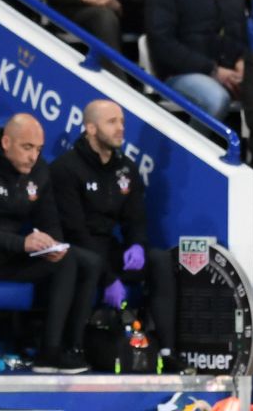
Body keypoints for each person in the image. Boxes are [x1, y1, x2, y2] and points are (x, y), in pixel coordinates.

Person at [50, 99, 193, 374]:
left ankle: (166, 350)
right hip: (81, 251)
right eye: (112, 122)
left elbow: (135, 218)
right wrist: (108, 278)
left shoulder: (126, 168)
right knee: (90, 261)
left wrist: (137, 244)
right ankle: (73, 348)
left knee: (160, 260)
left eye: (122, 122)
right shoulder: (66, 169)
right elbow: (74, 230)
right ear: (90, 128)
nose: (120, 129)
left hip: (111, 248)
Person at [0, 114, 97, 374]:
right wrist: (21, 243)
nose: (34, 156)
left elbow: (50, 219)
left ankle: (52, 351)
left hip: (14, 257)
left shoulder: (39, 170)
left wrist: (51, 244)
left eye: (39, 149)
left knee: (70, 260)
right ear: (6, 141)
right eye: (27, 148)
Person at [145, 0, 247, 123]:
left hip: (230, 74)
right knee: (216, 98)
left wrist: (241, 61)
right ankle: (191, 145)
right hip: (180, 73)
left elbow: (240, 35)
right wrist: (213, 70)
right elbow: (162, 44)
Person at [27, 0, 145, 78]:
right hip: (70, 3)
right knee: (103, 17)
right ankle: (118, 87)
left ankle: (160, 90)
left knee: (157, 1)